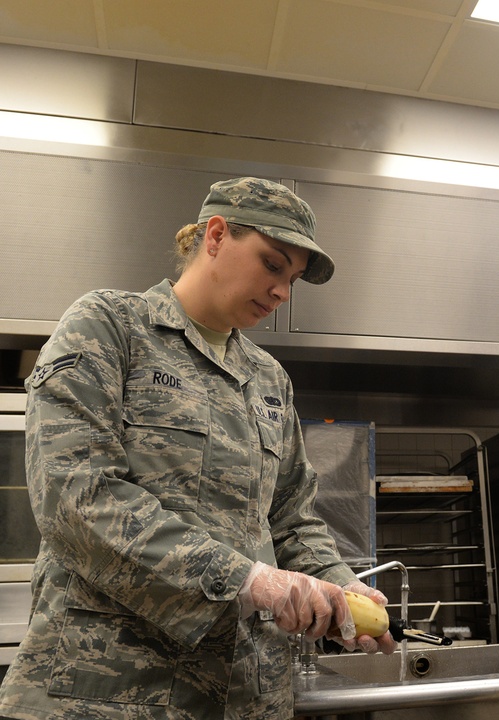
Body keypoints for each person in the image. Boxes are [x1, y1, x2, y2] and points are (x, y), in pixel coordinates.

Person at [0, 177, 395, 720]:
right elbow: (76, 496)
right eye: (272, 264)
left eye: (294, 279)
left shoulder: (268, 378)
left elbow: (290, 519)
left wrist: (339, 585)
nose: (282, 291)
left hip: (248, 696)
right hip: (112, 694)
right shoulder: (111, 327)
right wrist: (248, 579)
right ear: (215, 236)